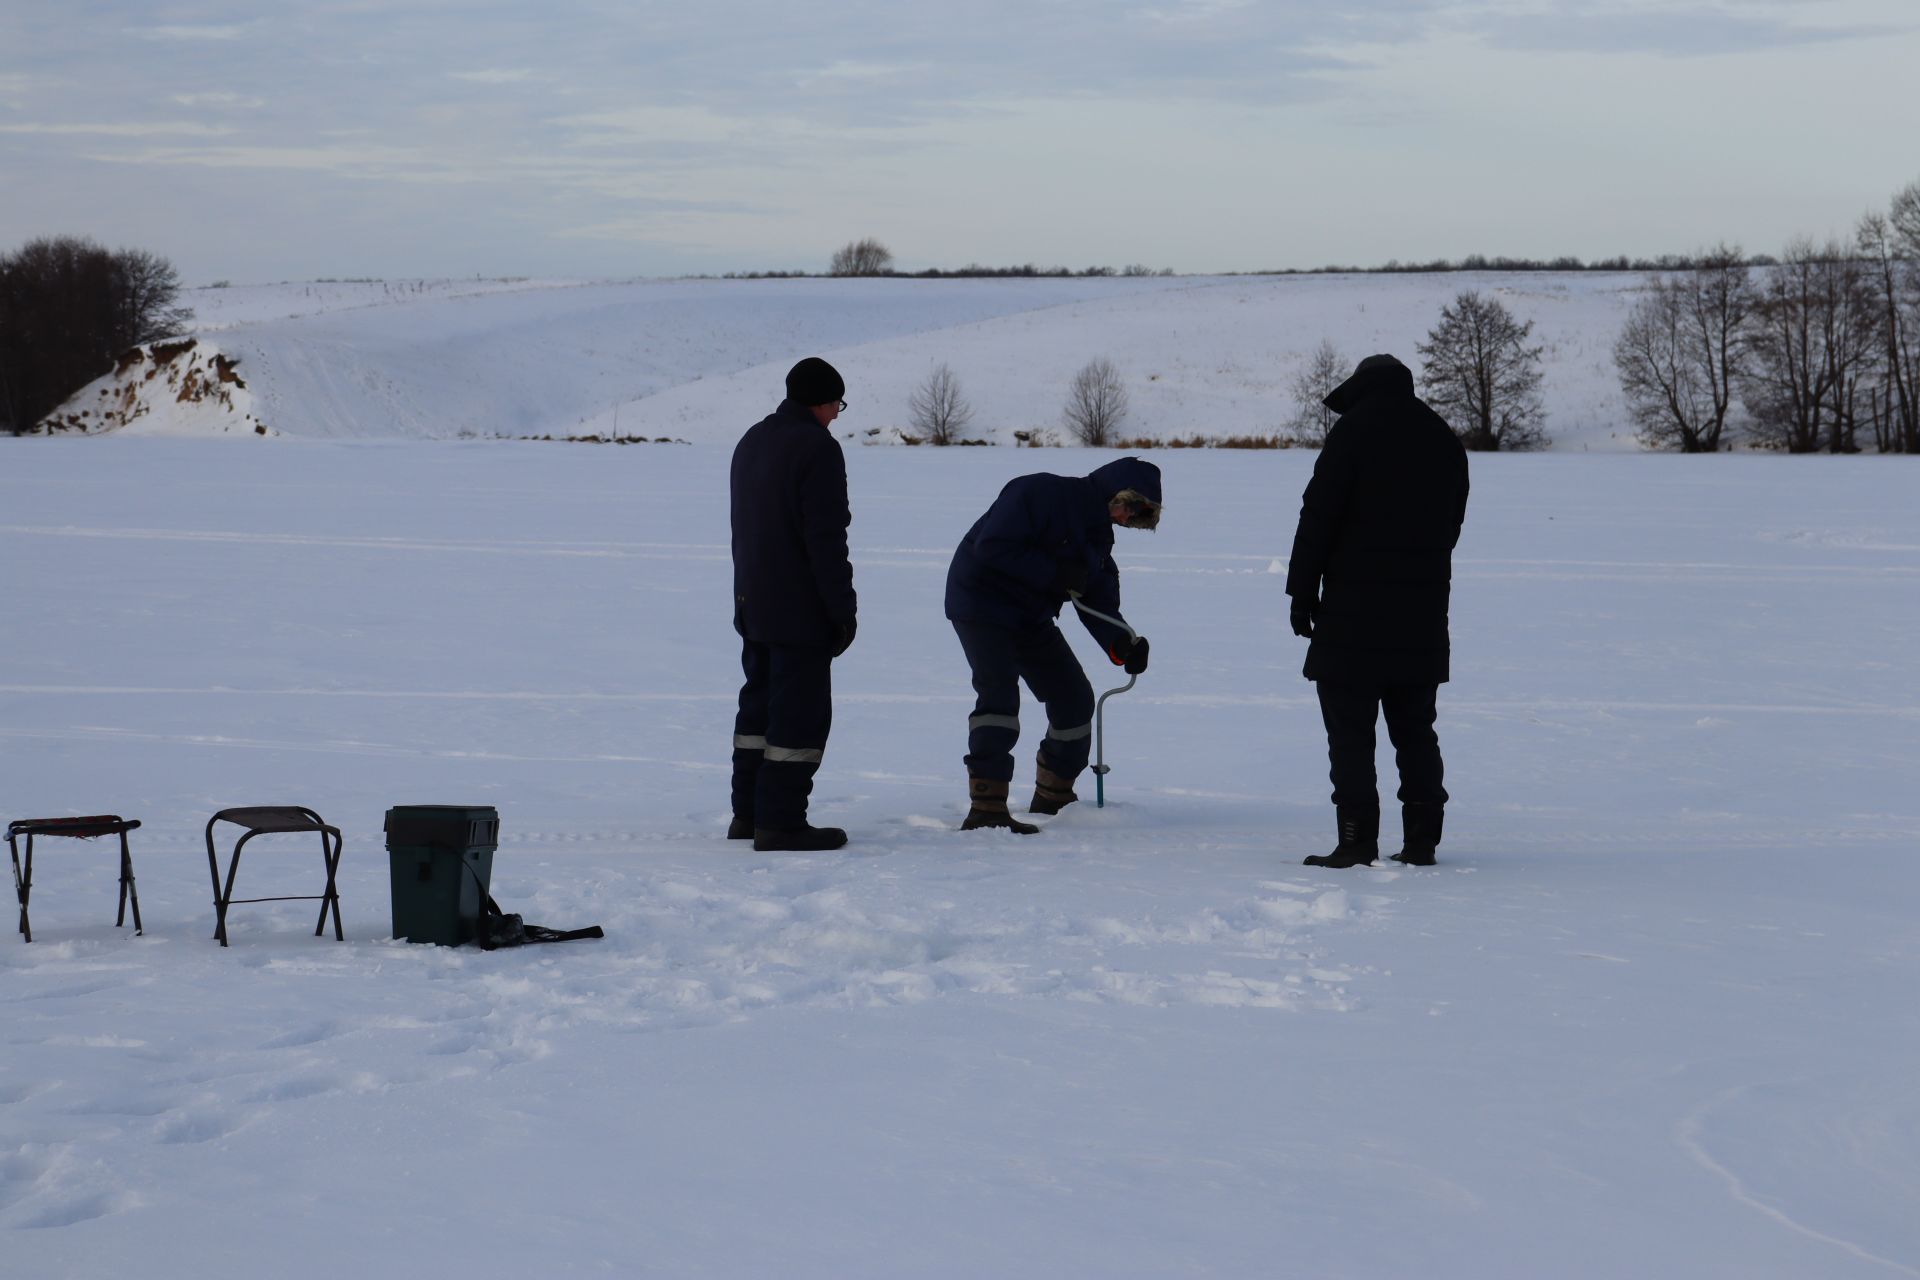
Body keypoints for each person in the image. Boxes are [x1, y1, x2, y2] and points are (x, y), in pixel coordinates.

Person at [1286, 353, 1469, 868]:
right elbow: (1452, 526)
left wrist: (1302, 592)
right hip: (1423, 611)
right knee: (1415, 729)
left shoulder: (1352, 433)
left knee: (1349, 731)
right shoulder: (1442, 438)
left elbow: (1318, 514)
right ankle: (1422, 843)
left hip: (1352, 612)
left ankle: (1356, 840)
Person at [945, 458, 1160, 832]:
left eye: (1138, 516)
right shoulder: (1038, 491)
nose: (1127, 520)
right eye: (1133, 509)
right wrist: (1056, 573)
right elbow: (992, 546)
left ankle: (1054, 795)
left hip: (1030, 615)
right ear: (1119, 493)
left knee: (1074, 697)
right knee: (999, 696)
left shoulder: (1098, 535)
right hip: (980, 603)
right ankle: (987, 805)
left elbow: (1096, 599)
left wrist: (1123, 644)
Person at [728, 357, 857, 852]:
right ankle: (780, 822)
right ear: (820, 401)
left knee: (757, 711)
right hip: (799, 608)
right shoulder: (817, 448)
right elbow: (826, 538)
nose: (837, 415)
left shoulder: (753, 439)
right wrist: (842, 611)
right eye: (836, 405)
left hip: (753, 599)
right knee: (798, 716)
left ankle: (750, 814)